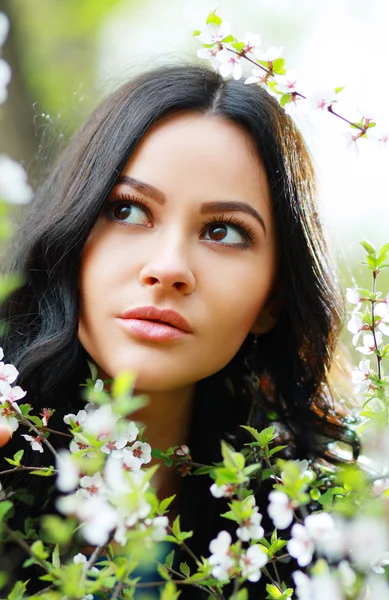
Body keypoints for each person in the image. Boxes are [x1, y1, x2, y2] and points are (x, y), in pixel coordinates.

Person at [0, 63, 357, 597]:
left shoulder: (324, 532)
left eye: (223, 231)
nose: (168, 268)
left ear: (273, 300)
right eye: (127, 209)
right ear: (68, 240)